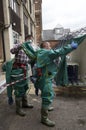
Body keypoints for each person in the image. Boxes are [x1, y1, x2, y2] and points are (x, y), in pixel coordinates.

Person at [21, 40, 78, 127]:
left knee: (47, 94)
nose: (50, 47)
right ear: (44, 46)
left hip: (43, 77)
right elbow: (58, 52)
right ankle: (44, 119)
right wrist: (70, 47)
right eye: (48, 45)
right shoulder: (45, 52)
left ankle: (47, 107)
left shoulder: (41, 53)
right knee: (47, 96)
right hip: (45, 78)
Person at [3, 34, 34, 117]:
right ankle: (18, 109)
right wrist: (21, 45)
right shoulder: (20, 46)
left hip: (25, 71)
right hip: (17, 71)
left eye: (32, 40)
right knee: (18, 90)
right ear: (26, 39)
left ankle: (25, 104)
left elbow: (32, 59)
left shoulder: (30, 49)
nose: (31, 42)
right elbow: (12, 51)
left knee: (25, 88)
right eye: (29, 40)